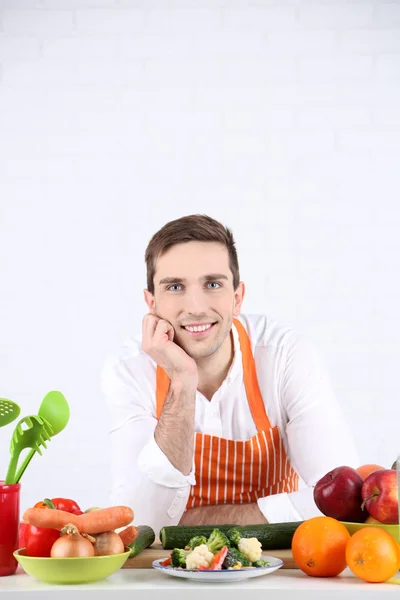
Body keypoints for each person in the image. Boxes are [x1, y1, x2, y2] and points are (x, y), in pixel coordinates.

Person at [101, 214, 359, 534]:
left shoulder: (285, 357)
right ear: (151, 303)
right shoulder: (130, 371)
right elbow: (139, 522)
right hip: (168, 574)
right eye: (175, 286)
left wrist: (189, 523)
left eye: (212, 284)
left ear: (237, 298)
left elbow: (347, 501)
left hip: (279, 568)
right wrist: (181, 382)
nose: (195, 306)